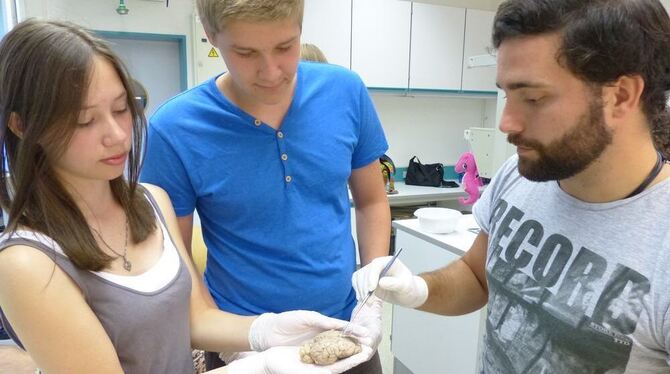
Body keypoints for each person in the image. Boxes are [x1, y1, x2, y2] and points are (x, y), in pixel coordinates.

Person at [0, 19, 376, 374]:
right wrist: (258, 367)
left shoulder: (150, 203)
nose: (116, 135)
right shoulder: (27, 263)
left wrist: (267, 331)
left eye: (122, 108)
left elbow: (195, 319)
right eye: (85, 120)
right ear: (22, 125)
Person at [353, 0, 670, 372]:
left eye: (533, 98)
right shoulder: (516, 176)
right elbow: (476, 276)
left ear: (620, 96)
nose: (506, 123)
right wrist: (416, 289)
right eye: (507, 94)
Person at [140, 0, 391, 371]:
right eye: (245, 52)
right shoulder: (174, 129)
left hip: (345, 332)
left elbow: (371, 201)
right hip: (245, 344)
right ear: (211, 36)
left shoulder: (345, 92)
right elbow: (175, 263)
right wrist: (232, 336)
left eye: (285, 47)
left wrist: (371, 292)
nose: (271, 71)